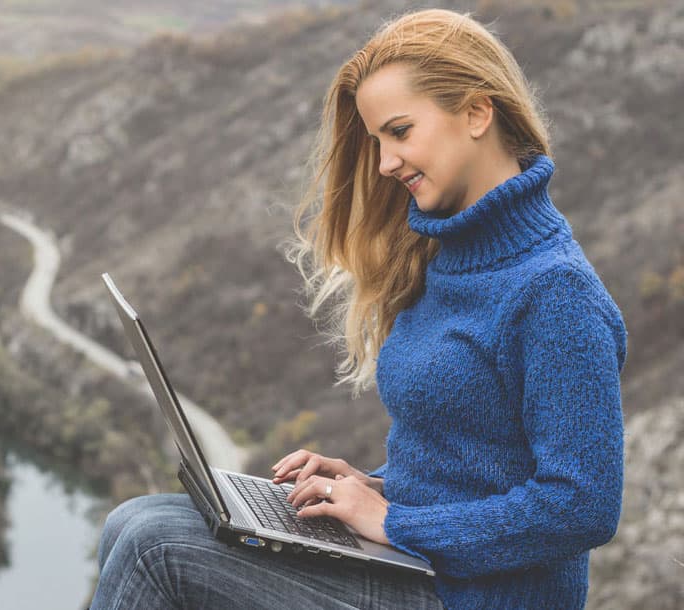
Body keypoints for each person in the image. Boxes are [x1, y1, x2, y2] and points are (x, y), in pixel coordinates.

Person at [89, 8, 627, 609]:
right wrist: (368, 486)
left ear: (478, 112)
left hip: (470, 597)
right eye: (377, 141)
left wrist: (392, 522)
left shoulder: (555, 291)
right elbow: (473, 465)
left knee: (151, 546)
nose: (384, 163)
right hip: (418, 567)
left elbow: (583, 506)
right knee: (132, 519)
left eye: (399, 131)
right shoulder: (449, 258)